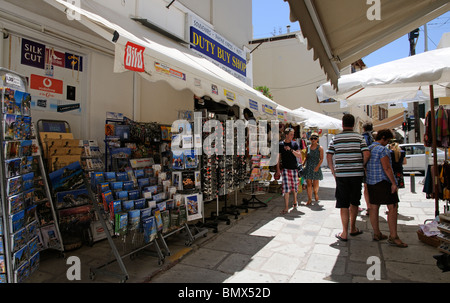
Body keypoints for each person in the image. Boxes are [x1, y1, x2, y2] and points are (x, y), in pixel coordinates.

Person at [327, 114, 370, 241]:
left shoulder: (335, 138)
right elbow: (366, 153)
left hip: (341, 175)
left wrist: (333, 171)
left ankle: (344, 232)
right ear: (354, 124)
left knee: (343, 203)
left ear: (342, 124)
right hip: (356, 174)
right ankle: (353, 228)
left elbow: (329, 156)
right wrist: (361, 165)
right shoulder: (359, 137)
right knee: (355, 201)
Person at [366, 129, 407, 248]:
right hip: (383, 182)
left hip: (371, 182)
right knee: (393, 207)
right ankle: (394, 236)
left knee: (374, 207)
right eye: (388, 140)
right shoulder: (382, 150)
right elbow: (387, 168)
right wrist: (394, 183)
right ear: (383, 137)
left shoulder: (369, 149)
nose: (388, 142)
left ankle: (377, 233)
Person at [274, 127, 303, 214]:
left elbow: (299, 155)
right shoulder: (280, 144)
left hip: (294, 169)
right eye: (291, 134)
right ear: (286, 135)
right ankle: (286, 207)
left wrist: (291, 150)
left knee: (294, 188)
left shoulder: (294, 144)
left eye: (293, 134)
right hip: (285, 169)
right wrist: (278, 169)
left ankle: (295, 200)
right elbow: (278, 158)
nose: (292, 136)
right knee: (286, 188)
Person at [302, 132, 323, 205]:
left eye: (315, 138)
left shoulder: (320, 148)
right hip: (309, 167)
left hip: (316, 167)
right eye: (312, 138)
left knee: (315, 184)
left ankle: (316, 193)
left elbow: (321, 159)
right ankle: (309, 199)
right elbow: (306, 157)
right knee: (308, 184)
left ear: (317, 139)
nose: (313, 140)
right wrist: (303, 164)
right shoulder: (308, 147)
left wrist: (317, 167)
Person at [362, 122, 374, 216]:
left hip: (364, 164)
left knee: (366, 187)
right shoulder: (374, 137)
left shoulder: (362, 138)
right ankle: (373, 206)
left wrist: (363, 164)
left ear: (363, 129)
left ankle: (369, 207)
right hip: (374, 164)